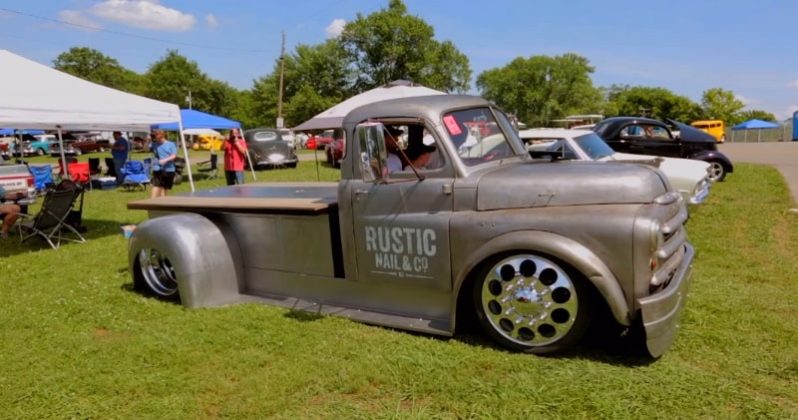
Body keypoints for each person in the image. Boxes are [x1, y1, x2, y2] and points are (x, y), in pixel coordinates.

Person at [149, 130, 177, 198]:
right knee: (155, 186)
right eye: (153, 135)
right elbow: (145, 148)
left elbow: (174, 156)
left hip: (169, 169)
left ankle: (162, 204)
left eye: (156, 135)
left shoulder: (171, 144)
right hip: (158, 169)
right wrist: (147, 141)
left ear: (161, 135)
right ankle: (151, 203)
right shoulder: (154, 144)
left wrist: (165, 160)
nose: (154, 137)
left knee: (164, 188)